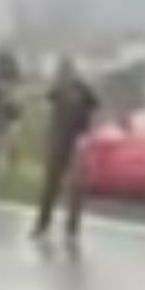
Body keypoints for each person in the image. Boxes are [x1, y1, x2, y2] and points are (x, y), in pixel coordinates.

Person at [31, 58, 99, 241]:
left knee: (74, 187)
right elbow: (46, 105)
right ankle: (42, 225)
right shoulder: (58, 89)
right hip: (58, 141)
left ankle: (71, 228)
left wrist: (86, 136)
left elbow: (94, 110)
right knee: (51, 186)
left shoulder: (84, 91)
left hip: (75, 142)